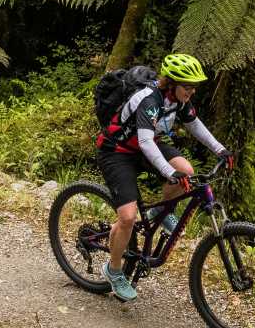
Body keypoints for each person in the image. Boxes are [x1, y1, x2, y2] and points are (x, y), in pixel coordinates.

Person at [95, 53, 233, 302]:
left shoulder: (177, 99)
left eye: (194, 87)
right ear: (172, 83)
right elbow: (146, 142)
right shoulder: (150, 100)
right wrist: (169, 173)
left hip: (144, 145)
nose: (192, 91)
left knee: (188, 172)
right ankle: (113, 270)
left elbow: (195, 124)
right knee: (126, 218)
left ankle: (158, 213)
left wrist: (220, 149)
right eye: (188, 86)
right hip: (116, 151)